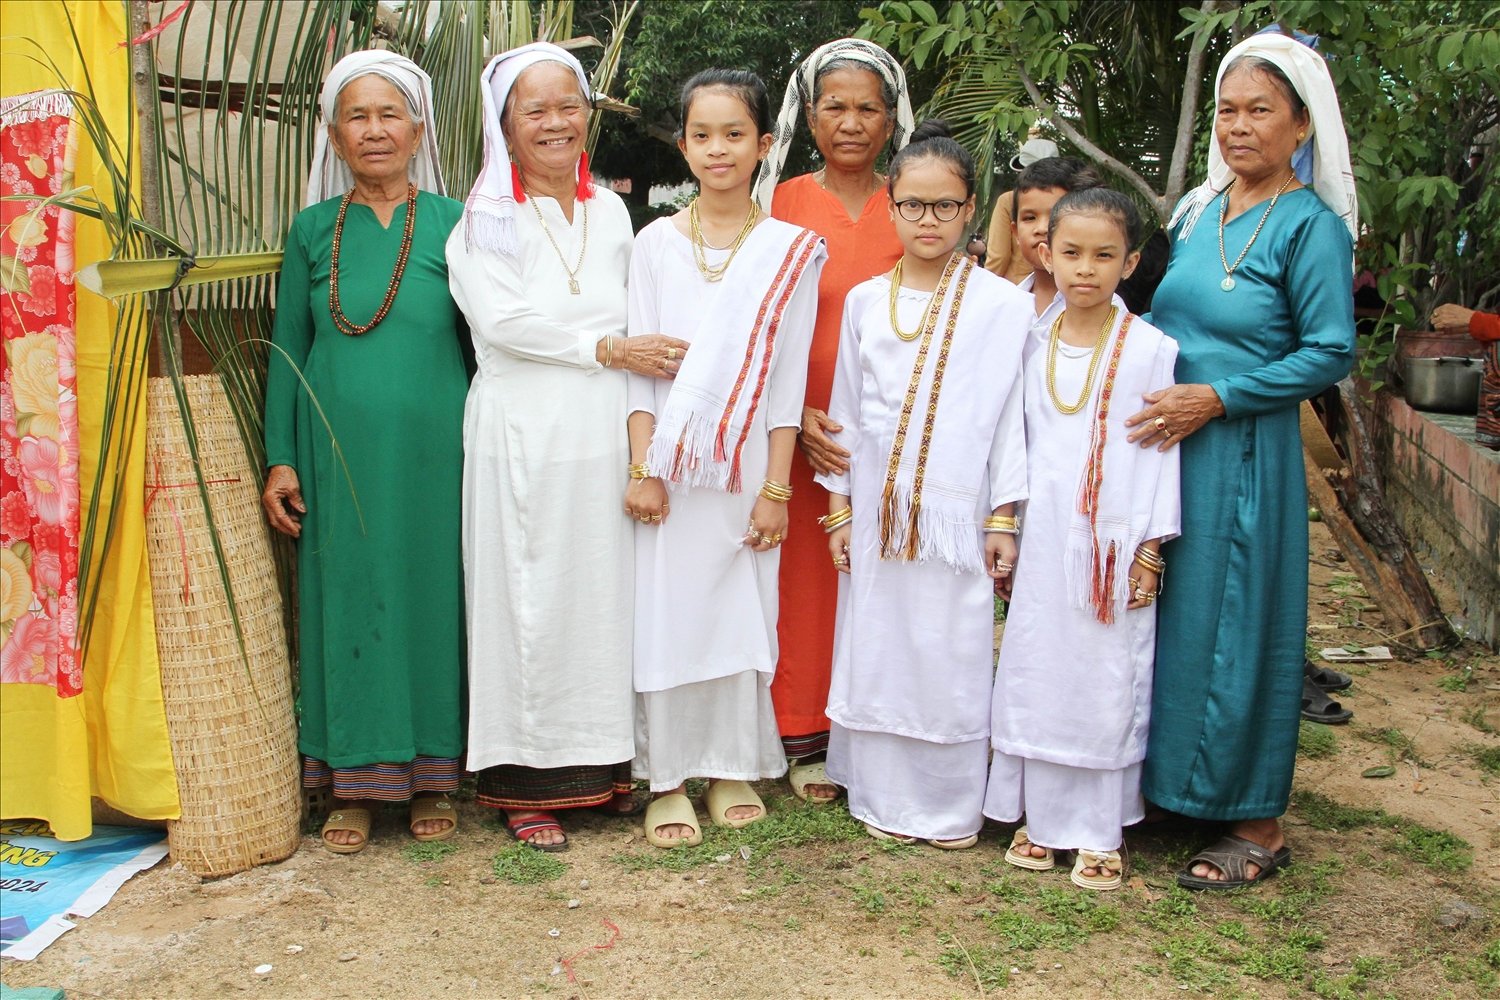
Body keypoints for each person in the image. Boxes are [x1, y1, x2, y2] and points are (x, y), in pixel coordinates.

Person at [1125, 32, 1358, 889]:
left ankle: (1255, 819)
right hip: (1170, 447)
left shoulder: (1310, 227)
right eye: (1227, 110)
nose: (1239, 127)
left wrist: (1219, 398)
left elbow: (1331, 350)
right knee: (1177, 619)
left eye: (1261, 111)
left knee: (1239, 624)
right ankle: (1178, 788)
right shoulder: (1196, 215)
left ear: (1301, 125)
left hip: (1244, 449)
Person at [445, 43, 687, 852]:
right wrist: (612, 350)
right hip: (523, 430)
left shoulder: (613, 211)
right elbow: (503, 325)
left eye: (568, 104)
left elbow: (638, 306)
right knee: (528, 597)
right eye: (533, 109)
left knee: (599, 595)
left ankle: (604, 769)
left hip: (602, 427)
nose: (555, 122)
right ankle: (525, 784)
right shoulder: (482, 217)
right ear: (504, 126)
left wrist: (626, 366)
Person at [262, 51, 465, 853]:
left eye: (390, 114)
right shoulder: (312, 230)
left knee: (430, 601)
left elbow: (491, 344)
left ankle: (431, 778)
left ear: (418, 128)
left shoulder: (457, 223)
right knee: (346, 601)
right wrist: (281, 456)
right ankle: (351, 784)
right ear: (333, 133)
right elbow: (285, 349)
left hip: (437, 457)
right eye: (358, 115)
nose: (374, 130)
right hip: (334, 458)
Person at [627, 70, 826, 849]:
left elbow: (785, 382)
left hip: (747, 464)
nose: (718, 149)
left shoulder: (788, 253)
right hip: (671, 465)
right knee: (669, 613)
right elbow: (640, 367)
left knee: (742, 609)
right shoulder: (651, 243)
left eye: (734, 134)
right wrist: (645, 468)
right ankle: (669, 775)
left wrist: (776, 488)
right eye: (702, 135)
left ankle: (733, 764)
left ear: (764, 145)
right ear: (683, 145)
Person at [819, 121, 1031, 848]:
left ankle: (946, 806)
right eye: (913, 205)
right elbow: (845, 410)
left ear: (971, 208)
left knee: (950, 644)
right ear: (891, 205)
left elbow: (1009, 421)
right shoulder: (864, 302)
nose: (928, 221)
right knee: (879, 639)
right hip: (879, 506)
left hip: (956, 510)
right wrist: (838, 509)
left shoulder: (1002, 307)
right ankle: (878, 794)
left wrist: (1003, 516)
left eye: (945, 206)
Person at [986, 189, 1181, 890]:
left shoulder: (1154, 350)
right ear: (1046, 254)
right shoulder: (1029, 341)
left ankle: (1099, 830)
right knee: (1041, 666)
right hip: (1043, 538)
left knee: (1105, 674)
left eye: (1104, 255)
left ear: (1130, 263)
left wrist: (1151, 547)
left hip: (1114, 543)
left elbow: (1162, 452)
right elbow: (1012, 437)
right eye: (1071, 253)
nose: (1086, 269)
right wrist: (1003, 520)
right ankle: (1039, 818)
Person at [752, 38, 915, 805]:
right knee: (802, 578)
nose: (851, 122)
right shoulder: (778, 203)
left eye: (867, 108)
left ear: (892, 119)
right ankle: (796, 729)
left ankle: (870, 731)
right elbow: (753, 322)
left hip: (886, 434)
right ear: (808, 115)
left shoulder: (913, 203)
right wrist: (797, 413)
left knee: (876, 580)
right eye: (835, 106)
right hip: (794, 428)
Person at [1008, 157, 1105, 320]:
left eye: (1055, 216)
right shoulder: (1007, 303)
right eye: (1030, 218)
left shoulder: (1103, 310)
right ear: (1016, 232)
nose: (1041, 229)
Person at [982, 131, 1060, 285]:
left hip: (1015, 288)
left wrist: (985, 289)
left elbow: (999, 256)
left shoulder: (1009, 200)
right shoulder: (1069, 199)